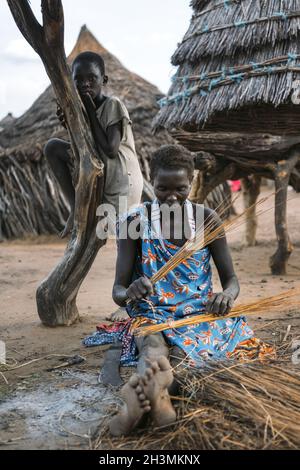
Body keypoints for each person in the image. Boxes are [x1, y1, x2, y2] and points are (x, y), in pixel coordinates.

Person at [85, 144, 273, 436]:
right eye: (162, 188)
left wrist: (226, 296)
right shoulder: (135, 223)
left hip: (199, 310)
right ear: (152, 180)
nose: (171, 197)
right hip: (151, 312)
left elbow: (231, 280)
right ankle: (151, 399)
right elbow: (118, 291)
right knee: (152, 345)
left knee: (188, 355)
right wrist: (131, 290)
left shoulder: (206, 219)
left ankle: (156, 393)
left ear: (192, 181)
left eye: (180, 189)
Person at [44, 51, 143, 238]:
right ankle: (74, 209)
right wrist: (71, 122)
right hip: (102, 178)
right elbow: (84, 147)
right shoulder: (80, 110)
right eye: (78, 79)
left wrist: (88, 108)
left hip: (122, 183)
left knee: (124, 241)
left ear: (104, 80)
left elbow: (110, 149)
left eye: (92, 78)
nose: (85, 84)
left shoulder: (113, 104)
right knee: (53, 147)